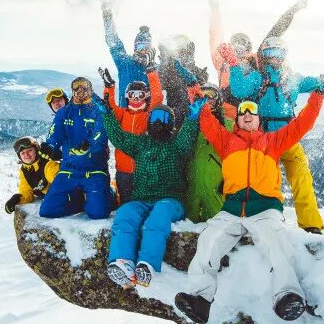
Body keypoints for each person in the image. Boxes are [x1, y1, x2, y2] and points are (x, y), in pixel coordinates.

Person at [173, 70, 324, 324]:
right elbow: (206, 120)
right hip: (231, 209)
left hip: (265, 208)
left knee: (276, 242)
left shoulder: (273, 141)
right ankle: (200, 299)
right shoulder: (226, 141)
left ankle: (287, 296)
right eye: (243, 112)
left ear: (259, 119)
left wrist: (319, 93)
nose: (247, 115)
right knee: (208, 240)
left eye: (252, 112)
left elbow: (303, 122)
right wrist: (193, 88)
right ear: (237, 120)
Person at [225, 37, 324, 231]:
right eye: (270, 53)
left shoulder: (292, 78)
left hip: (288, 136)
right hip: (265, 140)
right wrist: (234, 65)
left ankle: (311, 225)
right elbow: (238, 89)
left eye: (279, 53)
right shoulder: (257, 77)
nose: (275, 58)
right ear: (263, 55)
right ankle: (270, 221)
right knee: (267, 183)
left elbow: (320, 82)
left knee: (301, 176)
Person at [95, 93, 205, 288]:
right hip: (142, 199)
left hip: (171, 201)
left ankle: (148, 264)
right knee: (125, 213)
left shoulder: (177, 145)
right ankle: (123, 261)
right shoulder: (141, 144)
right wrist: (107, 114)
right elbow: (119, 138)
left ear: (171, 123)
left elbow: (187, 137)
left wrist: (192, 118)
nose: (158, 123)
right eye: (154, 118)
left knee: (159, 216)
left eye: (163, 119)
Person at [206, 0, 308, 105]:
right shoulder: (222, 60)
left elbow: (275, 32)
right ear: (231, 48)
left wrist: (291, 11)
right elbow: (215, 36)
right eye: (236, 46)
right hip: (228, 112)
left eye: (242, 46)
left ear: (248, 48)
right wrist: (215, 10)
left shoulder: (256, 59)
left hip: (251, 111)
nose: (239, 51)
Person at [39, 76, 113, 220]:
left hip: (94, 169)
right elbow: (56, 133)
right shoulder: (63, 112)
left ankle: (106, 194)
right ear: (72, 91)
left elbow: (101, 135)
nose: (80, 91)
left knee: (98, 214)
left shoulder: (98, 110)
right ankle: (81, 200)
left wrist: (89, 145)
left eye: (84, 88)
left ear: (90, 90)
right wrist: (50, 146)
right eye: (76, 88)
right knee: (47, 210)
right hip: (69, 169)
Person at [97, 64, 164, 204]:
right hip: (123, 170)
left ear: (146, 97)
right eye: (132, 94)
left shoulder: (149, 114)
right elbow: (109, 109)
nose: (136, 98)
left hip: (143, 170)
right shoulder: (122, 114)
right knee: (126, 203)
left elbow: (157, 97)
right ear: (127, 97)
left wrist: (151, 73)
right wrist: (109, 87)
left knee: (144, 202)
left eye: (140, 95)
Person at [183, 83, 234, 223]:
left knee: (219, 226)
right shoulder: (191, 122)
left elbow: (236, 156)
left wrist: (229, 181)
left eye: (212, 96)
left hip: (215, 187)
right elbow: (182, 148)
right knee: (187, 225)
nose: (207, 100)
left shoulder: (228, 124)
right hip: (192, 185)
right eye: (203, 96)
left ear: (218, 100)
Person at [101, 1, 156, 107]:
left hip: (147, 117)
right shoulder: (125, 62)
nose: (143, 50)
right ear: (135, 48)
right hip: (125, 114)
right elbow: (113, 41)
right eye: (140, 46)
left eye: (146, 46)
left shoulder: (155, 69)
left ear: (151, 48)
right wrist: (108, 17)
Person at [158, 35, 208, 127]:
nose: (182, 54)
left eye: (184, 51)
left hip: (193, 117)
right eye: (179, 50)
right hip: (173, 116)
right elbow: (159, 88)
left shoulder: (195, 70)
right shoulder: (168, 70)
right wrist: (163, 65)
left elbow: (202, 93)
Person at [4, 136, 63, 214]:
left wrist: (49, 186)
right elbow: (26, 192)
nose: (27, 155)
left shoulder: (47, 163)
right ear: (19, 156)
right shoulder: (24, 170)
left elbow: (60, 180)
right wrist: (17, 199)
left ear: (36, 150)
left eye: (29, 150)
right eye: (23, 153)